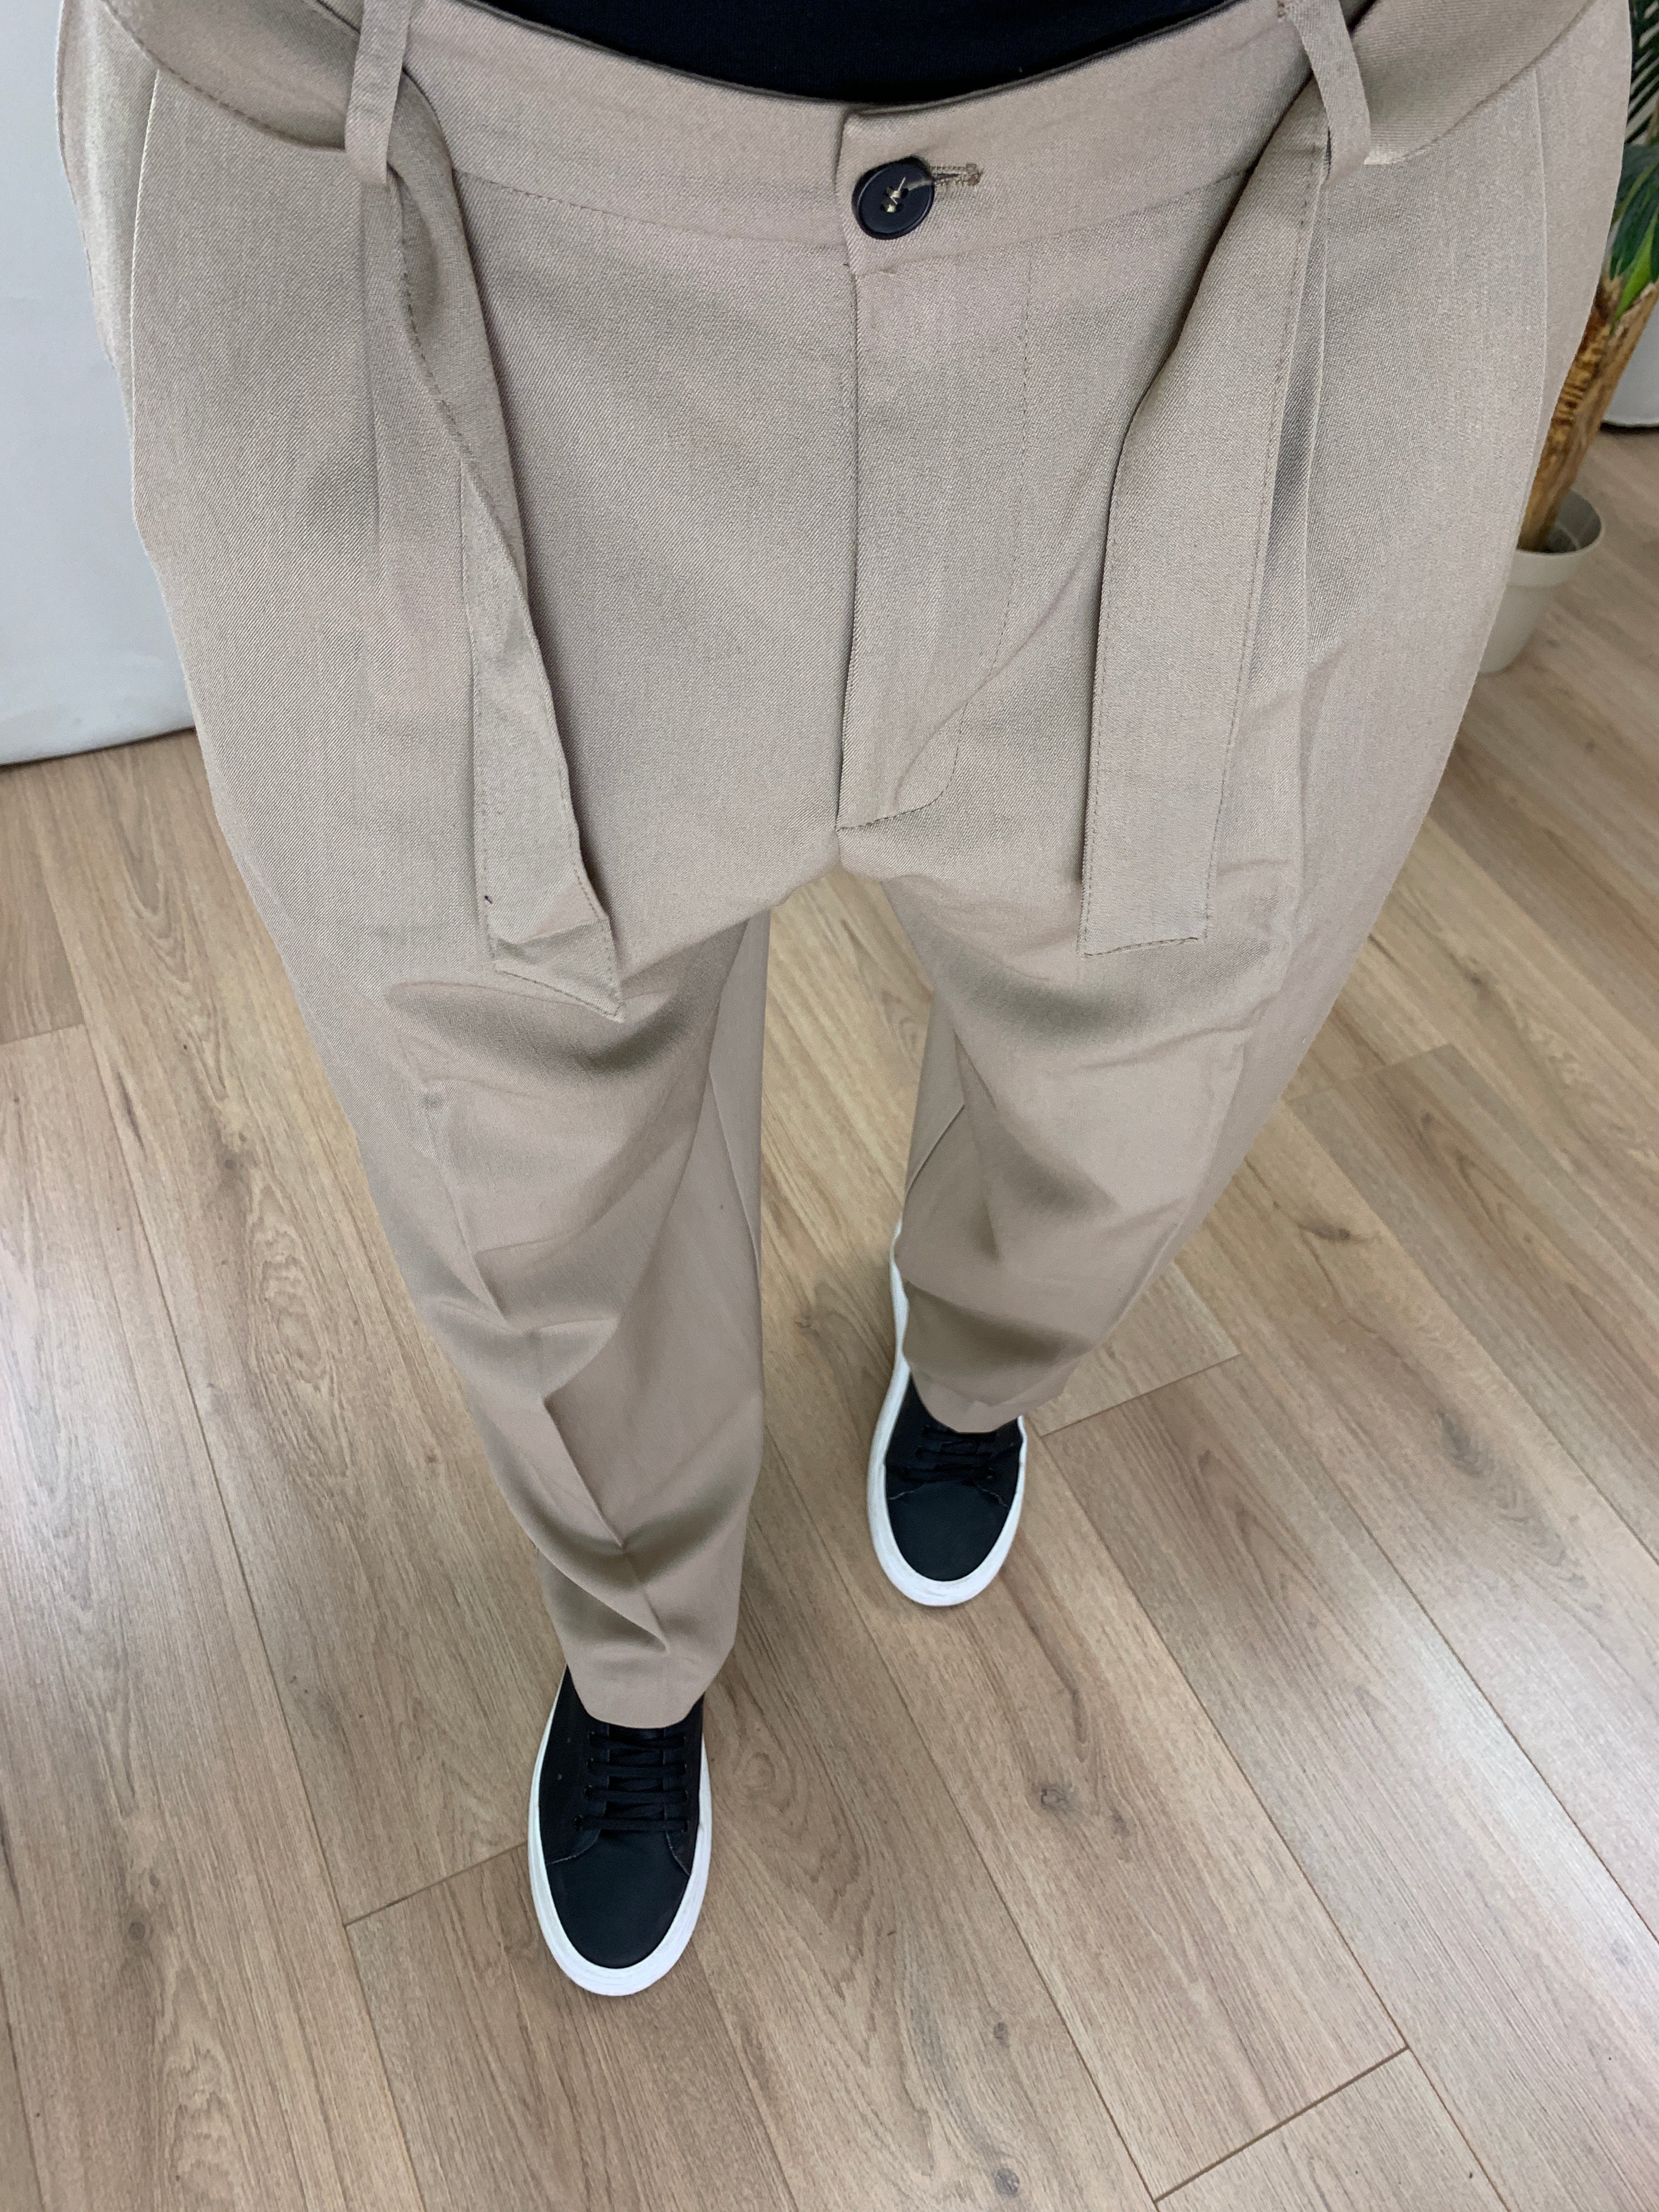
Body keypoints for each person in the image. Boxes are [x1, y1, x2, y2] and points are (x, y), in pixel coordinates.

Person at [58, 0, 1628, 1996]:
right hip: (409, 140)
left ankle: (982, 1363)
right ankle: (637, 1633)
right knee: (507, 1134)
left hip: (1306, 134)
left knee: (1160, 1032)